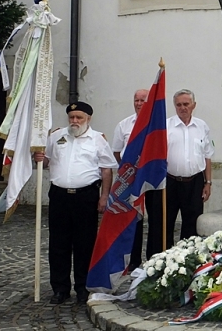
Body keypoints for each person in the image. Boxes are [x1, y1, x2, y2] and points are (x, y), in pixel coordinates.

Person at [33, 102, 117, 305]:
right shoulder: (56, 136)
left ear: (88, 118)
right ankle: (60, 288)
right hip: (60, 196)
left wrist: (104, 196)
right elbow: (46, 162)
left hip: (86, 196)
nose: (74, 121)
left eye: (79, 117)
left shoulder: (97, 140)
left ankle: (82, 287)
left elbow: (106, 169)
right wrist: (39, 157)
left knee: (84, 244)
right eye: (71, 117)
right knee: (58, 243)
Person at [146, 89, 214, 255]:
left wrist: (208, 182)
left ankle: (187, 260)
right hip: (169, 182)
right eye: (179, 105)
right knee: (164, 224)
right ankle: (163, 261)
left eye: (186, 104)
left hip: (195, 182)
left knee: (192, 224)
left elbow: (208, 156)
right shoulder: (165, 126)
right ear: (174, 106)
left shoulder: (202, 126)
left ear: (194, 105)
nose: (183, 108)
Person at [112, 89, 149, 272]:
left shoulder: (158, 124)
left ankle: (154, 257)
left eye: (143, 100)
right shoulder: (124, 125)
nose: (139, 103)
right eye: (136, 100)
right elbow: (117, 151)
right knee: (134, 219)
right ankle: (133, 259)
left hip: (152, 179)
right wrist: (128, 170)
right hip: (131, 179)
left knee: (157, 219)